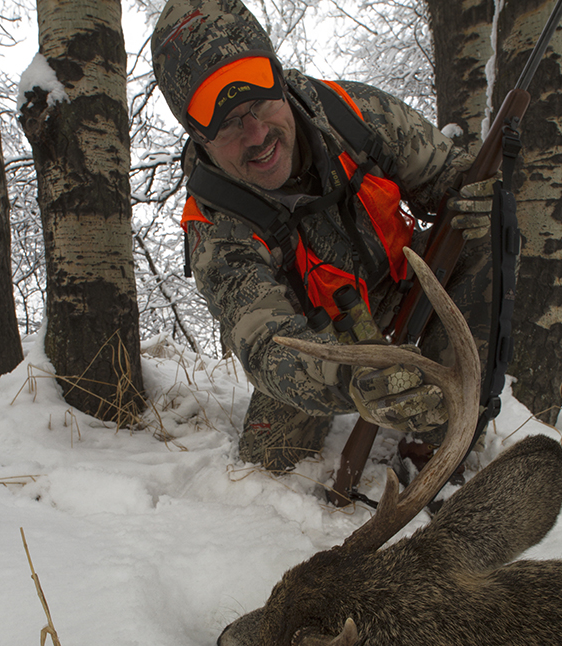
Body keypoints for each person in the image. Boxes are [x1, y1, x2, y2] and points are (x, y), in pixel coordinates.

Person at [151, 0, 494, 473]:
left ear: (279, 79)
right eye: (228, 122)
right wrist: (350, 377)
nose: (257, 135)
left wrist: (471, 194)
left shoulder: (352, 113)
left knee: (480, 236)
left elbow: (447, 175)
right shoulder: (215, 229)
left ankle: (443, 434)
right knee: (267, 464)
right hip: (325, 346)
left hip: (408, 292)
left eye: (259, 103)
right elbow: (269, 345)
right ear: (197, 136)